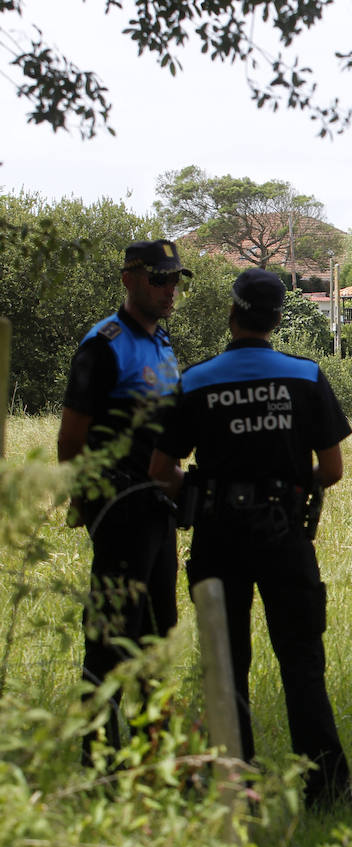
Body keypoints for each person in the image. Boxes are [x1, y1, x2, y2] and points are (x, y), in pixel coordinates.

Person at [148, 268, 351, 807]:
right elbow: (331, 469)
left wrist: (192, 490)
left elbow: (160, 470)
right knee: (302, 660)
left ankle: (235, 784)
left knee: (226, 660)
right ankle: (325, 788)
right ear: (279, 318)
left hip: (217, 537)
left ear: (231, 314)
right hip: (285, 536)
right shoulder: (306, 377)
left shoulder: (195, 380)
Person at [58, 239, 187, 768]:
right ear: (128, 279)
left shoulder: (163, 343)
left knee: (157, 633)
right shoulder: (102, 345)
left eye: (175, 280)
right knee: (111, 637)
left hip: (159, 510)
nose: (169, 290)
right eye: (159, 280)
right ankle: (98, 756)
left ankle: (152, 747)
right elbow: (71, 441)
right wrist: (90, 506)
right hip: (118, 509)